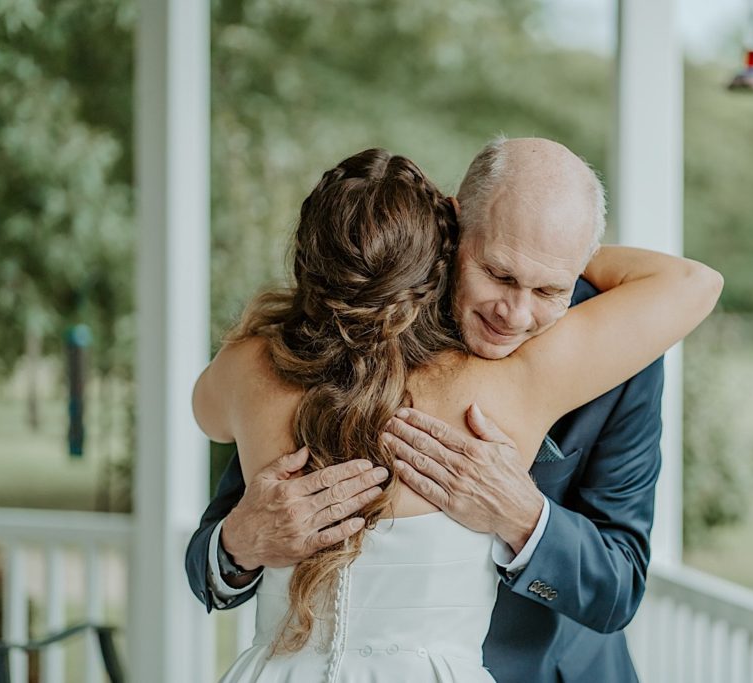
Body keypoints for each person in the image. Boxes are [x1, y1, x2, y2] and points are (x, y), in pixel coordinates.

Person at [188, 140, 722, 681]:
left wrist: (523, 517)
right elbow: (229, 526)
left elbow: (619, 584)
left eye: (549, 288)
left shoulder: (613, 352)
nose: (515, 313)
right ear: (454, 228)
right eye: (500, 273)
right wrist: (237, 541)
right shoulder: (308, 354)